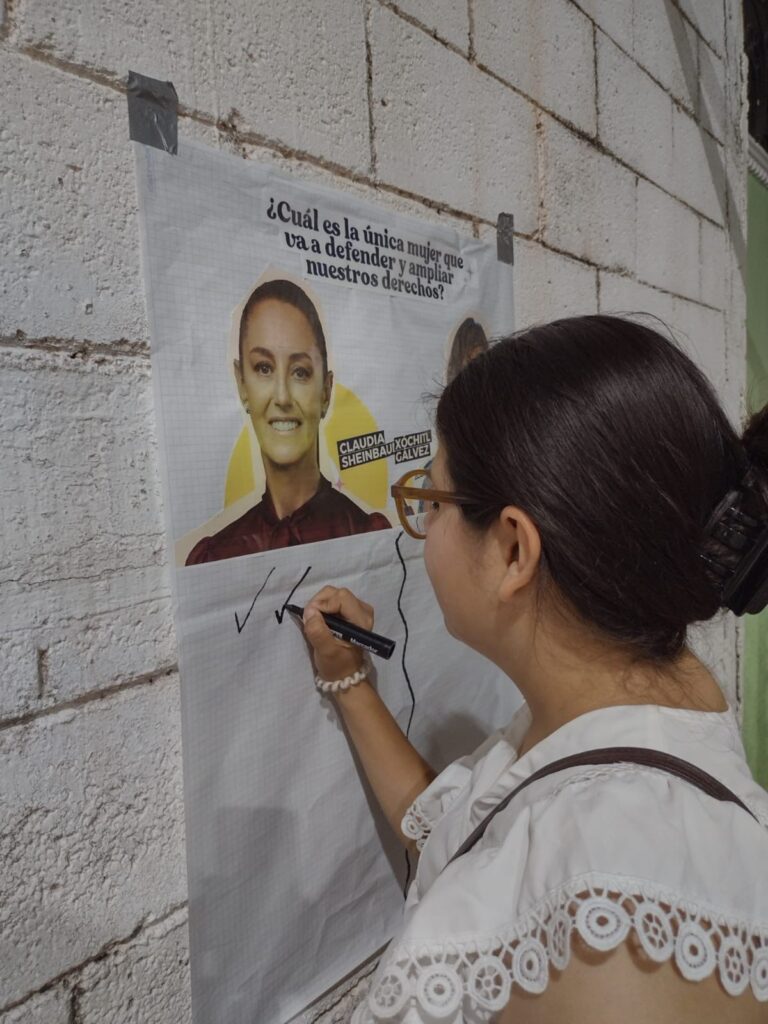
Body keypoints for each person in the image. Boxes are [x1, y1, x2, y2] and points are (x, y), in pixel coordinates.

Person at [295, 315, 768, 1023]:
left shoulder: (617, 926)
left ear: (514, 550)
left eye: (431, 498)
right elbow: (455, 832)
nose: (420, 528)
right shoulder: (637, 703)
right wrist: (350, 681)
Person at [186, 279, 390, 564]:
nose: (282, 397)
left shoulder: (368, 534)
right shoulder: (214, 556)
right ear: (242, 384)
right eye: (264, 368)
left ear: (326, 392)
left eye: (301, 372)